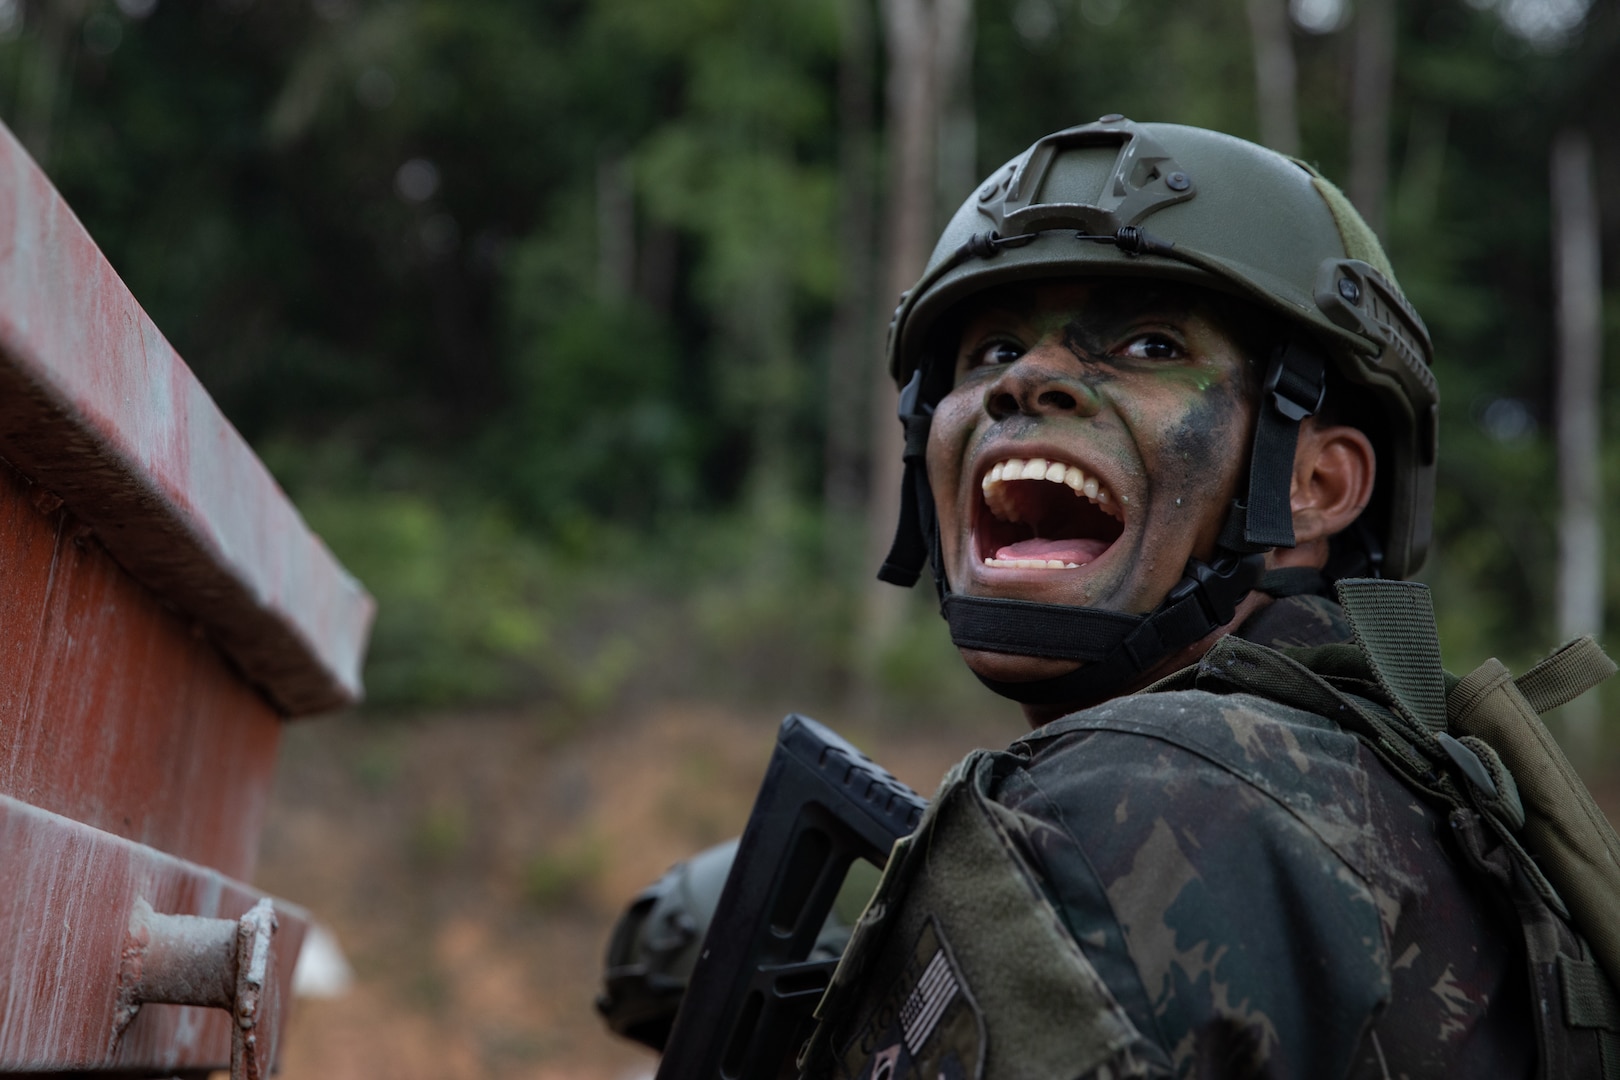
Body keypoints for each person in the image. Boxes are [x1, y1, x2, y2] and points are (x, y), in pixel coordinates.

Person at [604, 118, 1619, 1078]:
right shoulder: (1403, 799)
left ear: (1317, 484)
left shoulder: (1142, 804)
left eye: (1148, 347)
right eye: (992, 351)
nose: (1027, 382)